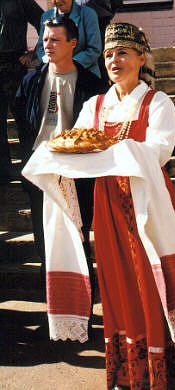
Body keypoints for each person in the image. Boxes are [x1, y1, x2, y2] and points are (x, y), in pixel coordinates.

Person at [72, 22, 175, 390]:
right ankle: (129, 374)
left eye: (122, 53)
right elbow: (78, 145)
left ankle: (170, 374)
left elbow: (159, 148)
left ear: (140, 58)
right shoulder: (96, 105)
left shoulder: (158, 102)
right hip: (109, 208)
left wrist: (110, 151)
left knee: (156, 283)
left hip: (149, 204)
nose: (114, 61)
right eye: (107, 55)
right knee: (119, 284)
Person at [14, 16, 103, 320]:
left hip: (77, 176)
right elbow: (23, 122)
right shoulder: (30, 81)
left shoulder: (92, 85)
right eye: (44, 39)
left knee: (79, 240)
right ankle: (54, 312)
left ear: (73, 44)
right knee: (43, 243)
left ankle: (84, 312)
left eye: (54, 40)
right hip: (41, 173)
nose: (46, 45)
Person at [0, 0, 43, 184]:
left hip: (14, 65)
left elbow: (45, 22)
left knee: (24, 121)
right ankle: (3, 172)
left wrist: (33, 54)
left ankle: (29, 172)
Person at [36, 0, 102, 78]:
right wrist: (50, 61)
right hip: (55, 74)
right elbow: (40, 48)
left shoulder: (88, 14)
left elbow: (94, 49)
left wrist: (68, 65)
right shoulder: (46, 16)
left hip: (84, 74)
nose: (58, 1)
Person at [77, 0, 123, 83]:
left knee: (102, 55)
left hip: (100, 15)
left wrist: (107, 8)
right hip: (74, 17)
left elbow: (117, 3)